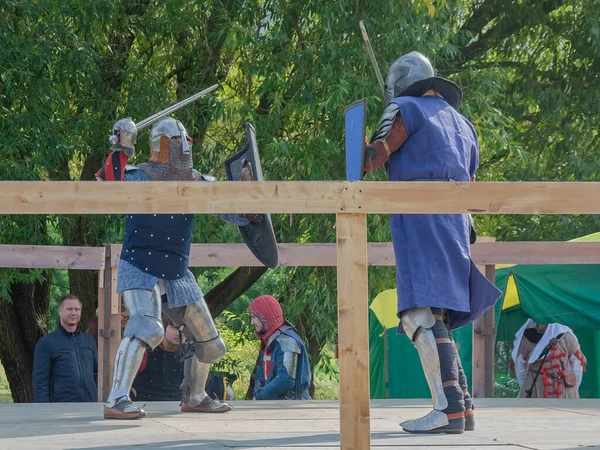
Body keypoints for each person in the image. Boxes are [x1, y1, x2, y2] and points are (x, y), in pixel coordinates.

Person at [363, 51, 502, 433]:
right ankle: (462, 407)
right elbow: (469, 180)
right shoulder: (464, 124)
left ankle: (448, 408)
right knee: (436, 314)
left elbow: (372, 158)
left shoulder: (404, 107)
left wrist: (358, 146)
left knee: (419, 314)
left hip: (420, 217)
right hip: (456, 223)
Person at [96, 116, 254, 419]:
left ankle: (195, 395)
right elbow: (103, 188)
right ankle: (117, 399)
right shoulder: (139, 176)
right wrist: (122, 145)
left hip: (176, 271)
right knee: (147, 326)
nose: (186, 146)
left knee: (211, 344)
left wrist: (247, 198)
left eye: (186, 141)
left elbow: (236, 214)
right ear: (164, 145)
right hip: (139, 265)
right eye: (179, 141)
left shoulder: (197, 183)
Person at [32, 294, 98, 402]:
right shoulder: (46, 343)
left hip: (89, 404)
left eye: (77, 309)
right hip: (60, 406)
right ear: (60, 311)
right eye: (69, 309)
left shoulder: (89, 341)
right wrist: (43, 410)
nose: (73, 313)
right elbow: (40, 382)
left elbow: (97, 373)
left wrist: (96, 395)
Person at [248, 295, 311, 400]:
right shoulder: (269, 341)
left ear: (265, 317)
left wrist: (259, 396)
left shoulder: (287, 341)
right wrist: (258, 394)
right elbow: (260, 377)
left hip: (293, 407)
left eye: (254, 317)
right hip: (276, 405)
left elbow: (285, 380)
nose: (252, 322)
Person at [512, 319, 586, 398]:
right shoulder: (527, 337)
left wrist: (572, 389)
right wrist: (528, 385)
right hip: (536, 390)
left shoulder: (565, 336)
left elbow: (577, 365)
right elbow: (520, 368)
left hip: (563, 390)